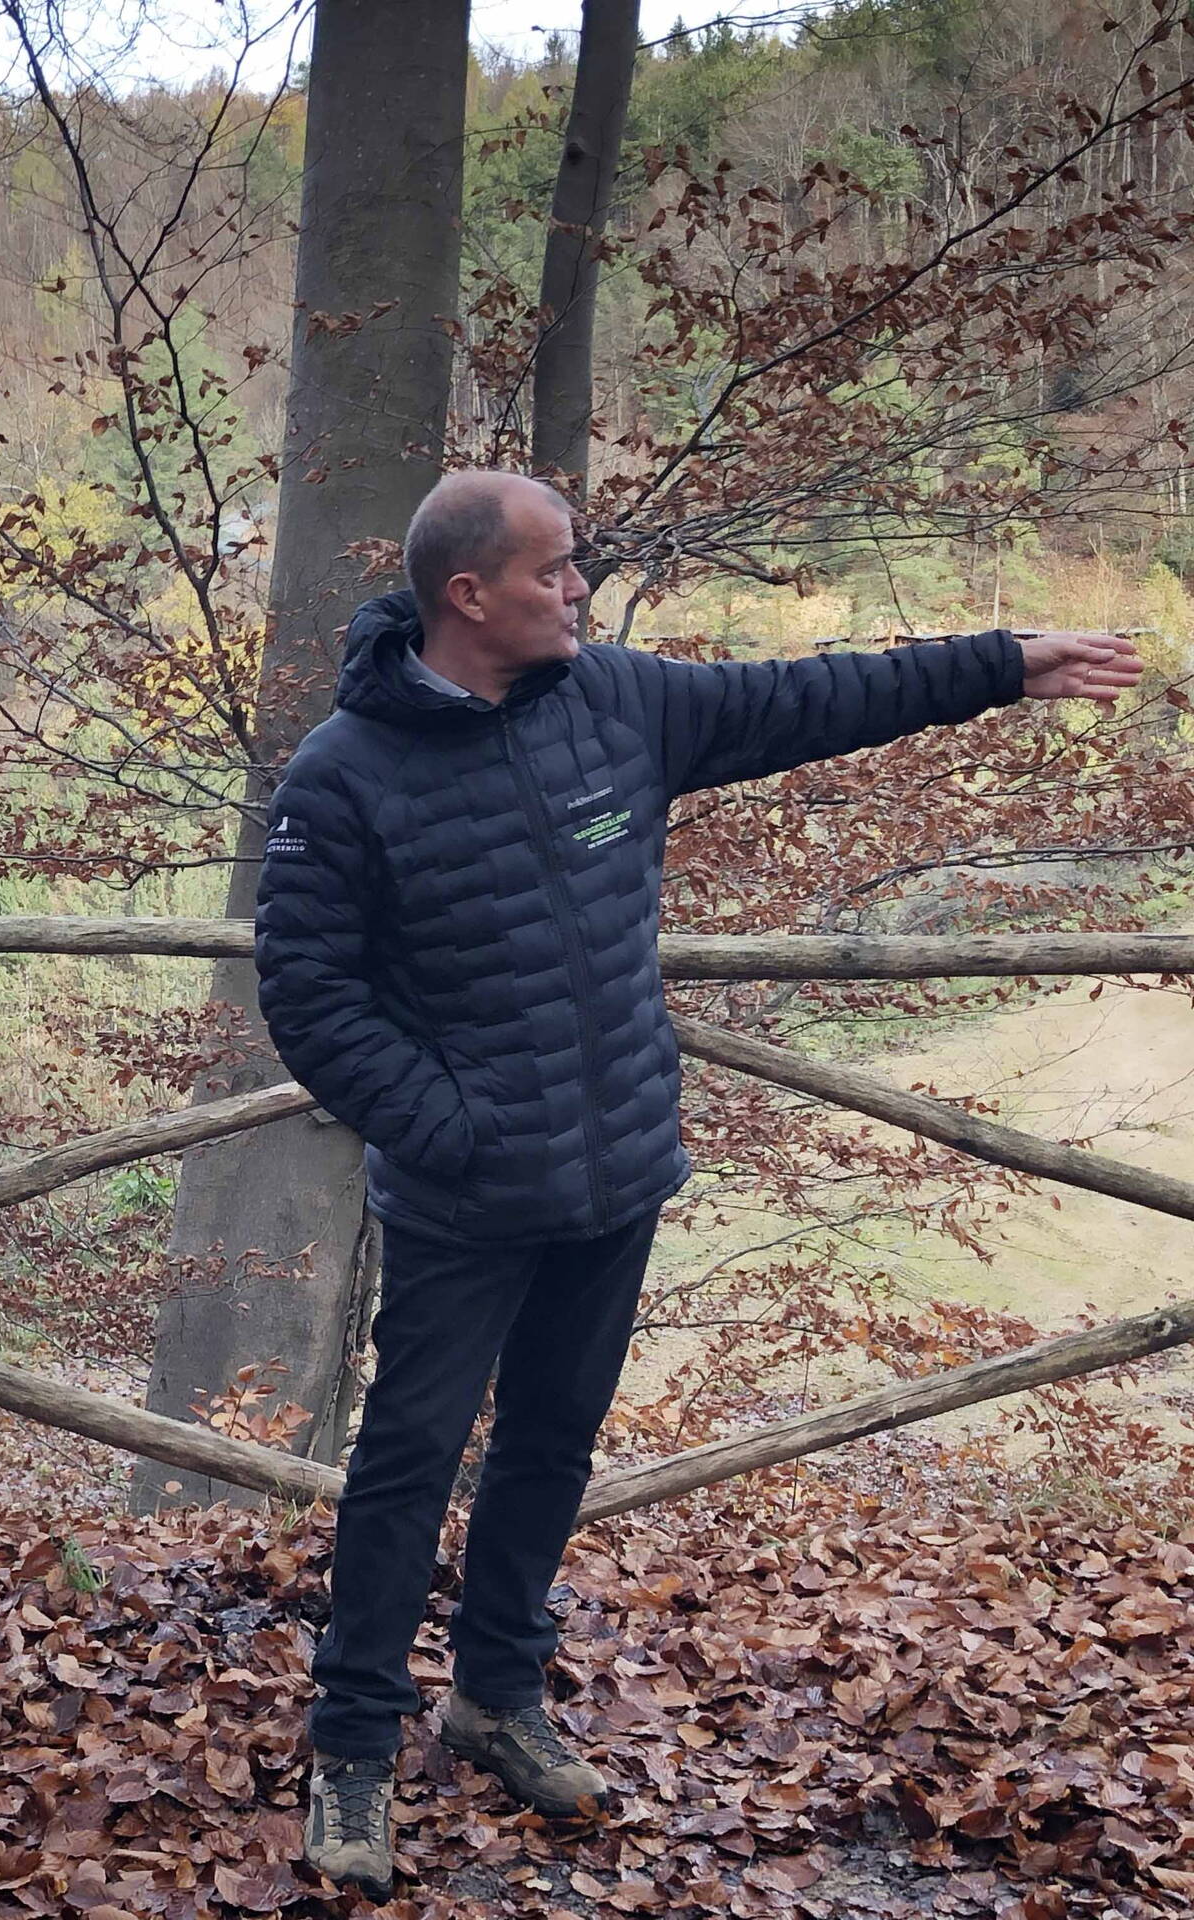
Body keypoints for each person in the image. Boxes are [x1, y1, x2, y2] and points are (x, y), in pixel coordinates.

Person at [254, 470, 1142, 1898]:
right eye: (556, 571)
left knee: (549, 1450)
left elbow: (816, 697)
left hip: (617, 1179)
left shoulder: (622, 705)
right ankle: (354, 1750)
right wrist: (454, 1129)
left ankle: (496, 1697)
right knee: (405, 1474)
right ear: (468, 595)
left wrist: (1006, 667)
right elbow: (306, 994)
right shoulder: (344, 774)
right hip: (466, 1203)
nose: (580, 590)